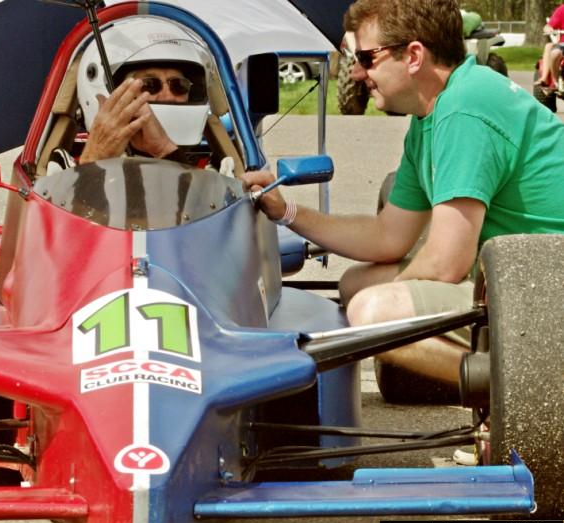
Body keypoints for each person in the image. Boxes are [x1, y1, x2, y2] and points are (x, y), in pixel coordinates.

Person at [248, 0, 564, 392]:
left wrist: (385, 297)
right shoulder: (433, 114)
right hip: (528, 275)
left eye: (366, 57)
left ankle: (534, 396)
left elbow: (448, 262)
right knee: (355, 286)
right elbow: (388, 236)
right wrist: (287, 211)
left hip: (549, 286)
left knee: (373, 309)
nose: (358, 72)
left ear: (414, 55)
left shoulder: (464, 110)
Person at [54, 18, 231, 173]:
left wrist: (165, 151)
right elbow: (66, 211)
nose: (167, 96)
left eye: (179, 86)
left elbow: (194, 210)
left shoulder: (216, 173)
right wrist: (94, 160)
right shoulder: (63, 170)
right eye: (149, 85)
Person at [537, 3, 564, 91]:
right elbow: (548, 26)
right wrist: (550, 29)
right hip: (562, 45)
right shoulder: (562, 10)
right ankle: (556, 82)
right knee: (554, 53)